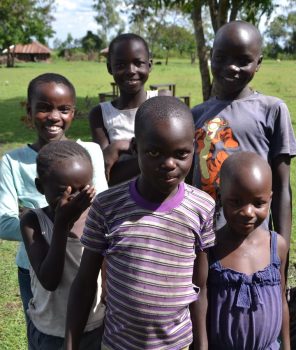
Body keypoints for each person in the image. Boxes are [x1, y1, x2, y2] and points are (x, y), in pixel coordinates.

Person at [65, 96, 216, 350]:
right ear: (135, 148)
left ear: (194, 149)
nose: (168, 164)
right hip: (119, 344)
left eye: (181, 154)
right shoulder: (107, 206)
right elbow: (85, 280)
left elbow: (199, 287)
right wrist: (70, 344)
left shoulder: (202, 207)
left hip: (177, 345)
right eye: (154, 152)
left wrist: (202, 345)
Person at [0, 73, 108, 326]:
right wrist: (47, 225)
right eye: (44, 108)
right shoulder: (13, 162)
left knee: (90, 329)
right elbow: (3, 223)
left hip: (85, 261)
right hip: (34, 267)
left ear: (73, 112)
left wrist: (33, 214)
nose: (54, 117)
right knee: (42, 330)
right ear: (29, 110)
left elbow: (100, 207)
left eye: (64, 109)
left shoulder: (90, 152)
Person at [191, 20, 296, 244]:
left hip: (254, 242)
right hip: (203, 242)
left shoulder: (272, 110)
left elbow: (282, 187)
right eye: (221, 58)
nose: (231, 67)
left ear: (258, 63)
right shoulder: (193, 115)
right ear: (211, 56)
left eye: (243, 60)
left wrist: (281, 249)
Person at [20, 140, 105, 350]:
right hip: (50, 331)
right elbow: (49, 280)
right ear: (41, 187)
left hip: (95, 326)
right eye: (64, 192)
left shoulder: (99, 217)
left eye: (83, 189)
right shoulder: (33, 222)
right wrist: (61, 225)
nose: (74, 198)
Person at [207, 151, 290, 350]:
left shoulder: (276, 246)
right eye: (236, 202)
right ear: (220, 196)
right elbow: (200, 304)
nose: (248, 212)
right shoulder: (210, 248)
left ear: (270, 199)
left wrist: (286, 345)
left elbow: (282, 302)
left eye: (258, 203)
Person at [89, 33, 170, 185]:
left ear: (150, 65)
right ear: (109, 68)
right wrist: (152, 155)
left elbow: (173, 153)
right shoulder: (100, 114)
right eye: (120, 65)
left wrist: (121, 146)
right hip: (121, 201)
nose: (131, 70)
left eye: (138, 63)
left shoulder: (162, 101)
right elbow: (107, 175)